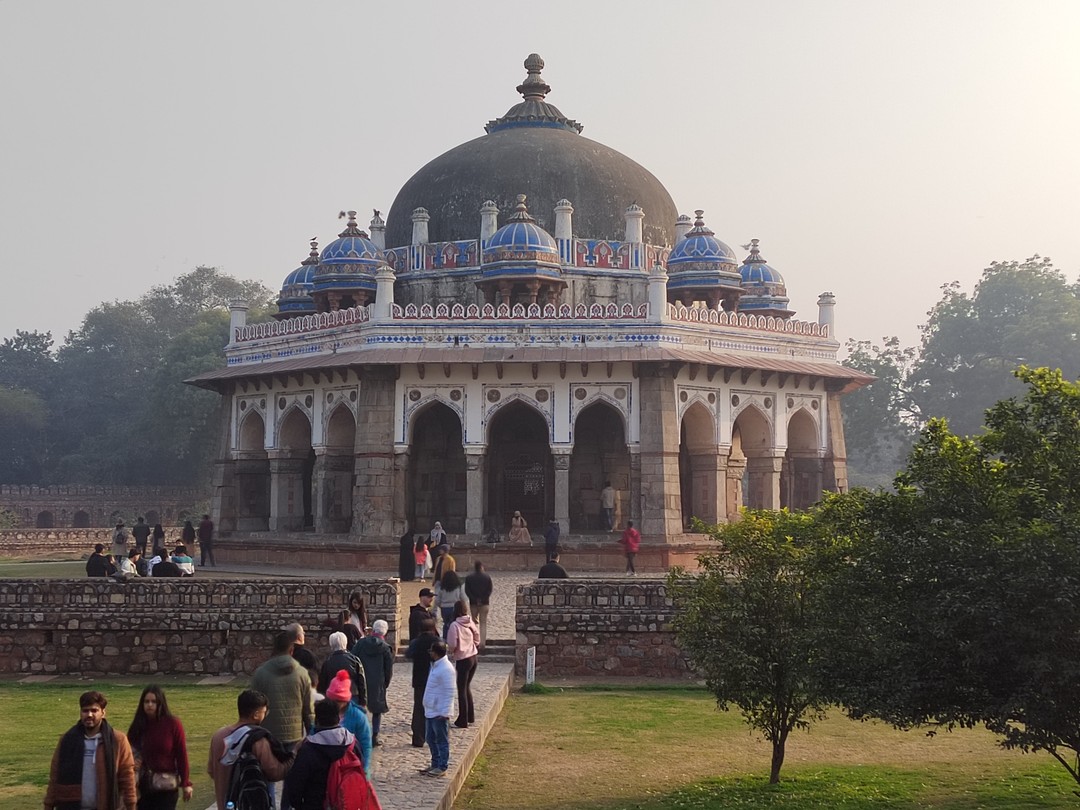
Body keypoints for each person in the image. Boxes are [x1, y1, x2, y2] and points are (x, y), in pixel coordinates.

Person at [44, 690, 138, 810]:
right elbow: (55, 776)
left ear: (103, 713)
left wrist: (131, 805)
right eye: (85, 710)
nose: (89, 715)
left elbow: (127, 776)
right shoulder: (67, 740)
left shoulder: (117, 740)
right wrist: (49, 804)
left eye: (94, 710)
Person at [251, 630, 313, 807]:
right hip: (293, 734)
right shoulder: (301, 673)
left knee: (267, 776)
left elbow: (253, 705)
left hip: (267, 733)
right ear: (291, 650)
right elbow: (308, 709)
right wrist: (311, 733)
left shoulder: (261, 673)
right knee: (291, 780)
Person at [207, 689, 293, 810]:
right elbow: (274, 772)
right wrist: (293, 757)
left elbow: (211, 770)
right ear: (256, 714)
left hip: (225, 804)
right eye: (264, 711)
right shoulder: (257, 740)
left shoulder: (218, 736)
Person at [282, 699, 365, 810]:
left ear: (317, 720)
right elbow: (361, 771)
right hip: (345, 804)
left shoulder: (308, 749)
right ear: (338, 718)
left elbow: (295, 785)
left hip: (314, 804)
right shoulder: (353, 744)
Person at [125, 684, 193, 808]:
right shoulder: (137, 726)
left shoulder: (173, 724)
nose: (150, 705)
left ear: (160, 703)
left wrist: (186, 783)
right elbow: (128, 753)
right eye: (146, 701)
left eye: (153, 701)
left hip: (165, 786)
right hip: (143, 786)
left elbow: (181, 754)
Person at [322, 671, 373, 779]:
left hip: (350, 767)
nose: (337, 704)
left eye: (339, 701)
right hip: (327, 767)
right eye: (334, 701)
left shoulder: (358, 717)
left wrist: (365, 768)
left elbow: (366, 744)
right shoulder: (323, 713)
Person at [353, 619, 394, 747]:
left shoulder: (361, 644)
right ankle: (374, 735)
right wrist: (385, 683)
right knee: (376, 710)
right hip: (377, 681)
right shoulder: (385, 648)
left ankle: (360, 734)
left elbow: (353, 658)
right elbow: (388, 669)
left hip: (362, 680)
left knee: (361, 708)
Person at [421, 640, 456, 777]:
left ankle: (442, 766)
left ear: (436, 653)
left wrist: (445, 711)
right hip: (431, 709)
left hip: (440, 711)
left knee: (441, 740)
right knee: (430, 738)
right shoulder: (436, 666)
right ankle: (435, 763)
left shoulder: (446, 669)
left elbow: (449, 691)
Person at [405, 617, 440, 748]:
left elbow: (408, 654)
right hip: (433, 678)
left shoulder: (416, 642)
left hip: (419, 678)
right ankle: (434, 737)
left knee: (418, 708)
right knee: (434, 708)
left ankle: (418, 738)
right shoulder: (436, 641)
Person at [446, 600, 480, 729]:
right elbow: (477, 636)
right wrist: (473, 645)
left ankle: (463, 719)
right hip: (473, 656)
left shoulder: (455, 625)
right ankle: (470, 716)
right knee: (467, 687)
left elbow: (452, 643)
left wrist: (452, 651)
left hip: (463, 658)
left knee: (461, 689)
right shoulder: (469, 621)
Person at [318, 632, 366, 709]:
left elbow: (323, 683)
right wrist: (363, 700)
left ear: (331, 644)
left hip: (333, 697)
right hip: (352, 695)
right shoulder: (355, 660)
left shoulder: (328, 662)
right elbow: (361, 681)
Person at [464, 561, 493, 651]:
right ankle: (482, 643)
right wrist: (482, 599)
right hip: (484, 603)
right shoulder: (487, 577)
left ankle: (475, 641)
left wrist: (475, 599)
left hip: (473, 603)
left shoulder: (469, 578)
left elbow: (467, 591)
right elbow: (489, 590)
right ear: (482, 567)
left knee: (474, 622)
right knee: (483, 623)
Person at [436, 570, 465, 639]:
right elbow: (462, 597)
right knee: (455, 624)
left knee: (446, 624)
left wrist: (441, 605)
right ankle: (455, 638)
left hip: (444, 607)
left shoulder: (441, 588)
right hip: (455, 607)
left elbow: (437, 600)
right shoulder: (458, 587)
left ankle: (445, 638)